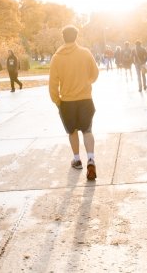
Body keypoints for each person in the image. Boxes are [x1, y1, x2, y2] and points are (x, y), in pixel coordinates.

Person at [48, 25, 100, 181]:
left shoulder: (57, 57)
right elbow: (95, 73)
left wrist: (57, 101)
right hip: (85, 99)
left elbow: (52, 84)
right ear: (76, 37)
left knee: (72, 131)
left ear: (63, 37)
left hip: (67, 101)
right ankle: (91, 158)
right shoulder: (85, 53)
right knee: (87, 130)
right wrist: (86, 83)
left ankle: (77, 159)